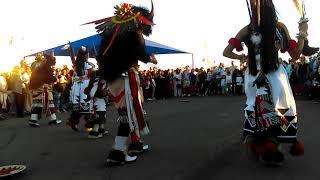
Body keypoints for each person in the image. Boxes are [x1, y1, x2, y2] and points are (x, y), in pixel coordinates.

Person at [223, 0, 309, 165]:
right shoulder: (279, 27)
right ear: (271, 8)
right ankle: (271, 146)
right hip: (275, 75)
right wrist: (303, 34)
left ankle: (261, 144)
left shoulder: (247, 29)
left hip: (254, 76)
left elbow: (226, 52)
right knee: (278, 109)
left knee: (256, 108)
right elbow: (296, 55)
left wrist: (242, 57)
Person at [84, 1, 157, 165]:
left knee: (131, 112)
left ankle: (136, 143)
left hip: (114, 78)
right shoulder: (134, 34)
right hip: (126, 78)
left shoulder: (111, 36)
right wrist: (149, 58)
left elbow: (104, 57)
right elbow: (138, 52)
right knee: (128, 115)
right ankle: (117, 153)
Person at [66, 47, 95, 132]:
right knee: (86, 105)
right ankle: (88, 125)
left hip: (76, 87)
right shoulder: (87, 64)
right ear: (86, 54)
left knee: (78, 107)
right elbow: (91, 74)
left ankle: (73, 121)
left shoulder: (75, 64)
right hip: (84, 87)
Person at [28, 53, 62, 127]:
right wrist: (55, 78)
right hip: (43, 89)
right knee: (50, 104)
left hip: (36, 88)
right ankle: (53, 119)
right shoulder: (46, 68)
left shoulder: (38, 67)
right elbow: (49, 78)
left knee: (37, 104)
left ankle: (33, 120)